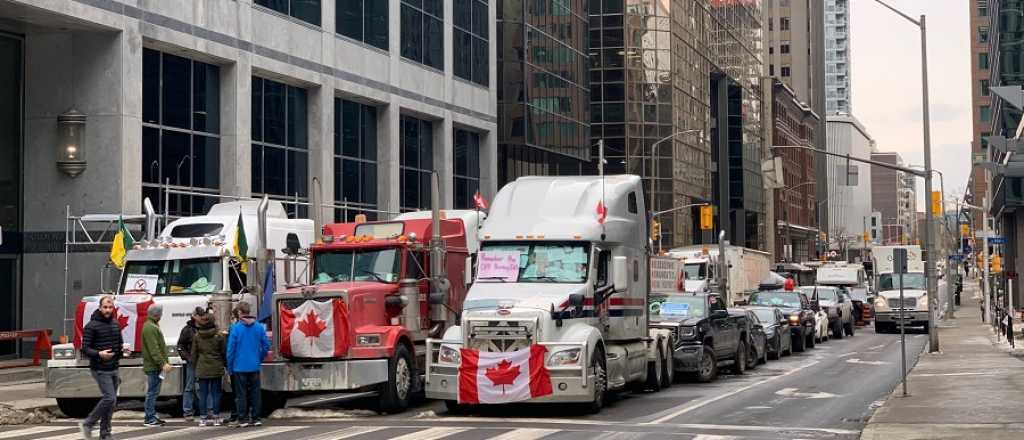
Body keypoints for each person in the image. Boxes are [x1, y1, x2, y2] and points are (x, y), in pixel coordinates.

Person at [78, 295, 125, 440]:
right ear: (99, 308)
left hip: (114, 367)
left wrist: (123, 351)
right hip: (99, 367)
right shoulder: (91, 326)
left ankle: (105, 434)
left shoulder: (115, 324)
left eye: (110, 307)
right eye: (105, 307)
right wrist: (99, 354)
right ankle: (88, 423)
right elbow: (85, 348)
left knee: (111, 403)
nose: (108, 310)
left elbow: (118, 345)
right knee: (109, 398)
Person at [226, 302, 270, 427]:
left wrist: (230, 368)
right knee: (255, 393)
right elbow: (266, 346)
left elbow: (230, 350)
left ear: (240, 312)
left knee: (241, 394)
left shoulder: (236, 328)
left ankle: (243, 418)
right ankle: (256, 418)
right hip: (254, 365)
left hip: (239, 366)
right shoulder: (259, 327)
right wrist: (259, 358)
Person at [191, 309, 226, 426]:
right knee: (216, 393)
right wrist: (224, 364)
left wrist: (195, 366)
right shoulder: (219, 336)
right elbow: (223, 352)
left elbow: (194, 354)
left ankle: (203, 418)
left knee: (203, 394)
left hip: (202, 367)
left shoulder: (197, 336)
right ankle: (216, 417)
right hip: (216, 367)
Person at [141, 303, 171, 427]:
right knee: (152, 393)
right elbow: (154, 349)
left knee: (153, 392)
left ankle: (151, 415)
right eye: (161, 313)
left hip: (156, 366)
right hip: (154, 366)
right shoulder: (150, 328)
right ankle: (149, 418)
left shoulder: (151, 326)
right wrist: (163, 363)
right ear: (157, 314)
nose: (161, 315)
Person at [176, 308, 202, 421]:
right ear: (195, 316)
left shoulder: (202, 328)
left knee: (201, 386)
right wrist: (187, 357)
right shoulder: (187, 330)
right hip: (193, 361)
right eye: (199, 315)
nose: (201, 318)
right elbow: (180, 345)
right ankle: (188, 411)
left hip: (202, 361)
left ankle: (203, 410)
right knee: (190, 387)